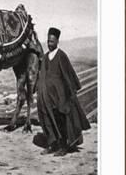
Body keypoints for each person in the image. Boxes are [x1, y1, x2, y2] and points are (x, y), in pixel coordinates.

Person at [36, 27, 91, 156]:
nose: (50, 44)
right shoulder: (45, 57)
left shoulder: (61, 55)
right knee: (48, 120)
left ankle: (63, 147)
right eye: (48, 41)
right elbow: (42, 75)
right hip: (47, 97)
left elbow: (68, 74)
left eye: (52, 42)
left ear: (57, 42)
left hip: (60, 97)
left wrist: (69, 93)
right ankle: (52, 144)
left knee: (61, 120)